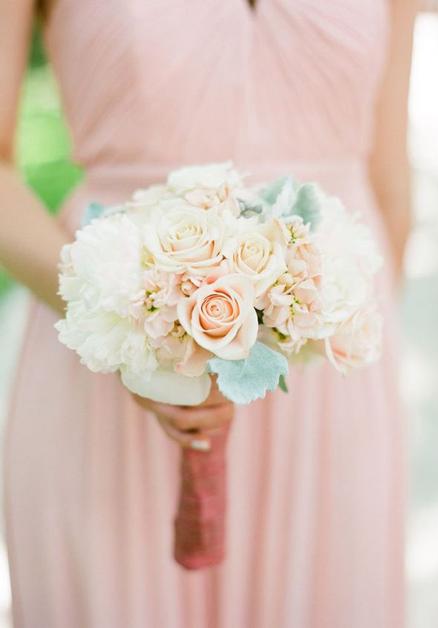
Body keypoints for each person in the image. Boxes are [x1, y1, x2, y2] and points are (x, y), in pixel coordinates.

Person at [0, 1, 416, 626]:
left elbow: (389, 176)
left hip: (326, 387)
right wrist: (123, 321)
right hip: (111, 353)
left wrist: (346, 331)